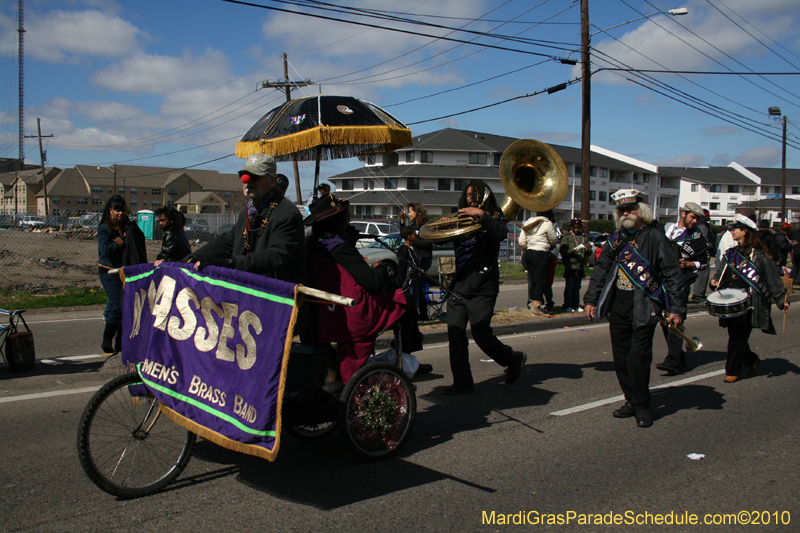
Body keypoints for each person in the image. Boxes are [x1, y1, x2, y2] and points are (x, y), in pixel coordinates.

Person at [584, 190, 685, 428]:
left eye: (631, 209)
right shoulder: (615, 239)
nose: (626, 213)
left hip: (645, 307)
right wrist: (591, 299)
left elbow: (672, 273)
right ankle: (630, 399)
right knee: (621, 359)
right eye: (621, 210)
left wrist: (677, 308)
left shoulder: (655, 237)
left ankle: (642, 405)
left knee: (638, 359)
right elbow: (600, 271)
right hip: (618, 306)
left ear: (642, 211)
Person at [303, 194, 405, 382]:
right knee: (400, 296)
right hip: (348, 312)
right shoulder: (340, 247)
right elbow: (372, 282)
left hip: (319, 313)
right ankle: (405, 354)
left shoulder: (312, 244)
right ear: (339, 220)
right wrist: (380, 267)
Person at [441, 180, 527, 395]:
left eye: (476, 194)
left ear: (484, 197)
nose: (472, 198)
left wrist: (481, 214)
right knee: (455, 334)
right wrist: (443, 224)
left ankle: (512, 358)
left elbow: (500, 233)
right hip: (459, 286)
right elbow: (436, 241)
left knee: (481, 335)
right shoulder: (459, 220)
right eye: (469, 195)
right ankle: (462, 381)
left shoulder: (493, 218)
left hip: (483, 287)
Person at [190, 153, 306, 285]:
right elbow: (226, 242)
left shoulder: (286, 213)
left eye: (255, 177)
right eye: (243, 176)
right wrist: (190, 259)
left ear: (272, 181)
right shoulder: (247, 212)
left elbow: (276, 257)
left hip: (279, 293)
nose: (247, 181)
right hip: (250, 288)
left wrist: (230, 263)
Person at [711, 214, 788, 383]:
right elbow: (721, 272)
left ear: (744, 232)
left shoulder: (761, 255)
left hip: (750, 303)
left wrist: (781, 299)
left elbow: (773, 280)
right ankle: (752, 360)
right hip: (730, 302)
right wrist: (714, 280)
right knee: (736, 335)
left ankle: (732, 370)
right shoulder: (731, 253)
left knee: (737, 336)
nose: (731, 231)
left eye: (735, 228)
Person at [656, 202, 708, 376]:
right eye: (692, 217)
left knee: (675, 319)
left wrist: (689, 263)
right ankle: (678, 358)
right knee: (664, 320)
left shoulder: (697, 237)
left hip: (680, 282)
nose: (694, 221)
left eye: (697, 219)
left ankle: (673, 360)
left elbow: (704, 262)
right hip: (660, 280)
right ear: (683, 214)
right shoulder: (664, 229)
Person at [97, 195, 147, 354]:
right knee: (117, 306)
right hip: (108, 271)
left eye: (123, 210)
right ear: (110, 210)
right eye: (117, 210)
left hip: (124, 272)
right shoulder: (105, 228)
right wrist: (119, 242)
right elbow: (104, 250)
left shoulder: (127, 226)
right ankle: (107, 340)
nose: (120, 213)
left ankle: (120, 342)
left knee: (125, 307)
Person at [519, 210, 557, 316]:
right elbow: (553, 239)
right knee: (540, 282)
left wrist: (529, 247)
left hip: (528, 254)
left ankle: (532, 303)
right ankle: (536, 306)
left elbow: (521, 241)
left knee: (533, 281)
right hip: (541, 254)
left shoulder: (527, 223)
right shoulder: (547, 223)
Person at [400, 202, 433, 320]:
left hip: (424, 259)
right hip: (415, 259)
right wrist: (402, 221)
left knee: (417, 284)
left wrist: (414, 241)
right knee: (417, 285)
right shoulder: (413, 226)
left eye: (410, 212)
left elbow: (428, 244)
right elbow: (405, 234)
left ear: (417, 212)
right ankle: (421, 313)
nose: (408, 214)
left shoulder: (426, 226)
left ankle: (421, 313)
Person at [560, 217, 591, 313]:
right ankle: (567, 305)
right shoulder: (567, 237)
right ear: (572, 228)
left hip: (580, 266)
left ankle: (575, 304)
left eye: (578, 228)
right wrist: (571, 251)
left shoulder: (584, 237)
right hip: (571, 266)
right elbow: (563, 250)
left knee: (577, 287)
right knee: (570, 286)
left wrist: (587, 249)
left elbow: (589, 251)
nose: (577, 230)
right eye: (575, 228)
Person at [690, 209, 715, 302]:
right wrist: (709, 247)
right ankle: (698, 294)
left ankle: (698, 293)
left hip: (700, 253)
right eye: (708, 215)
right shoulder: (702, 226)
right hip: (702, 254)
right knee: (703, 274)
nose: (709, 217)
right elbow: (704, 240)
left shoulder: (699, 225)